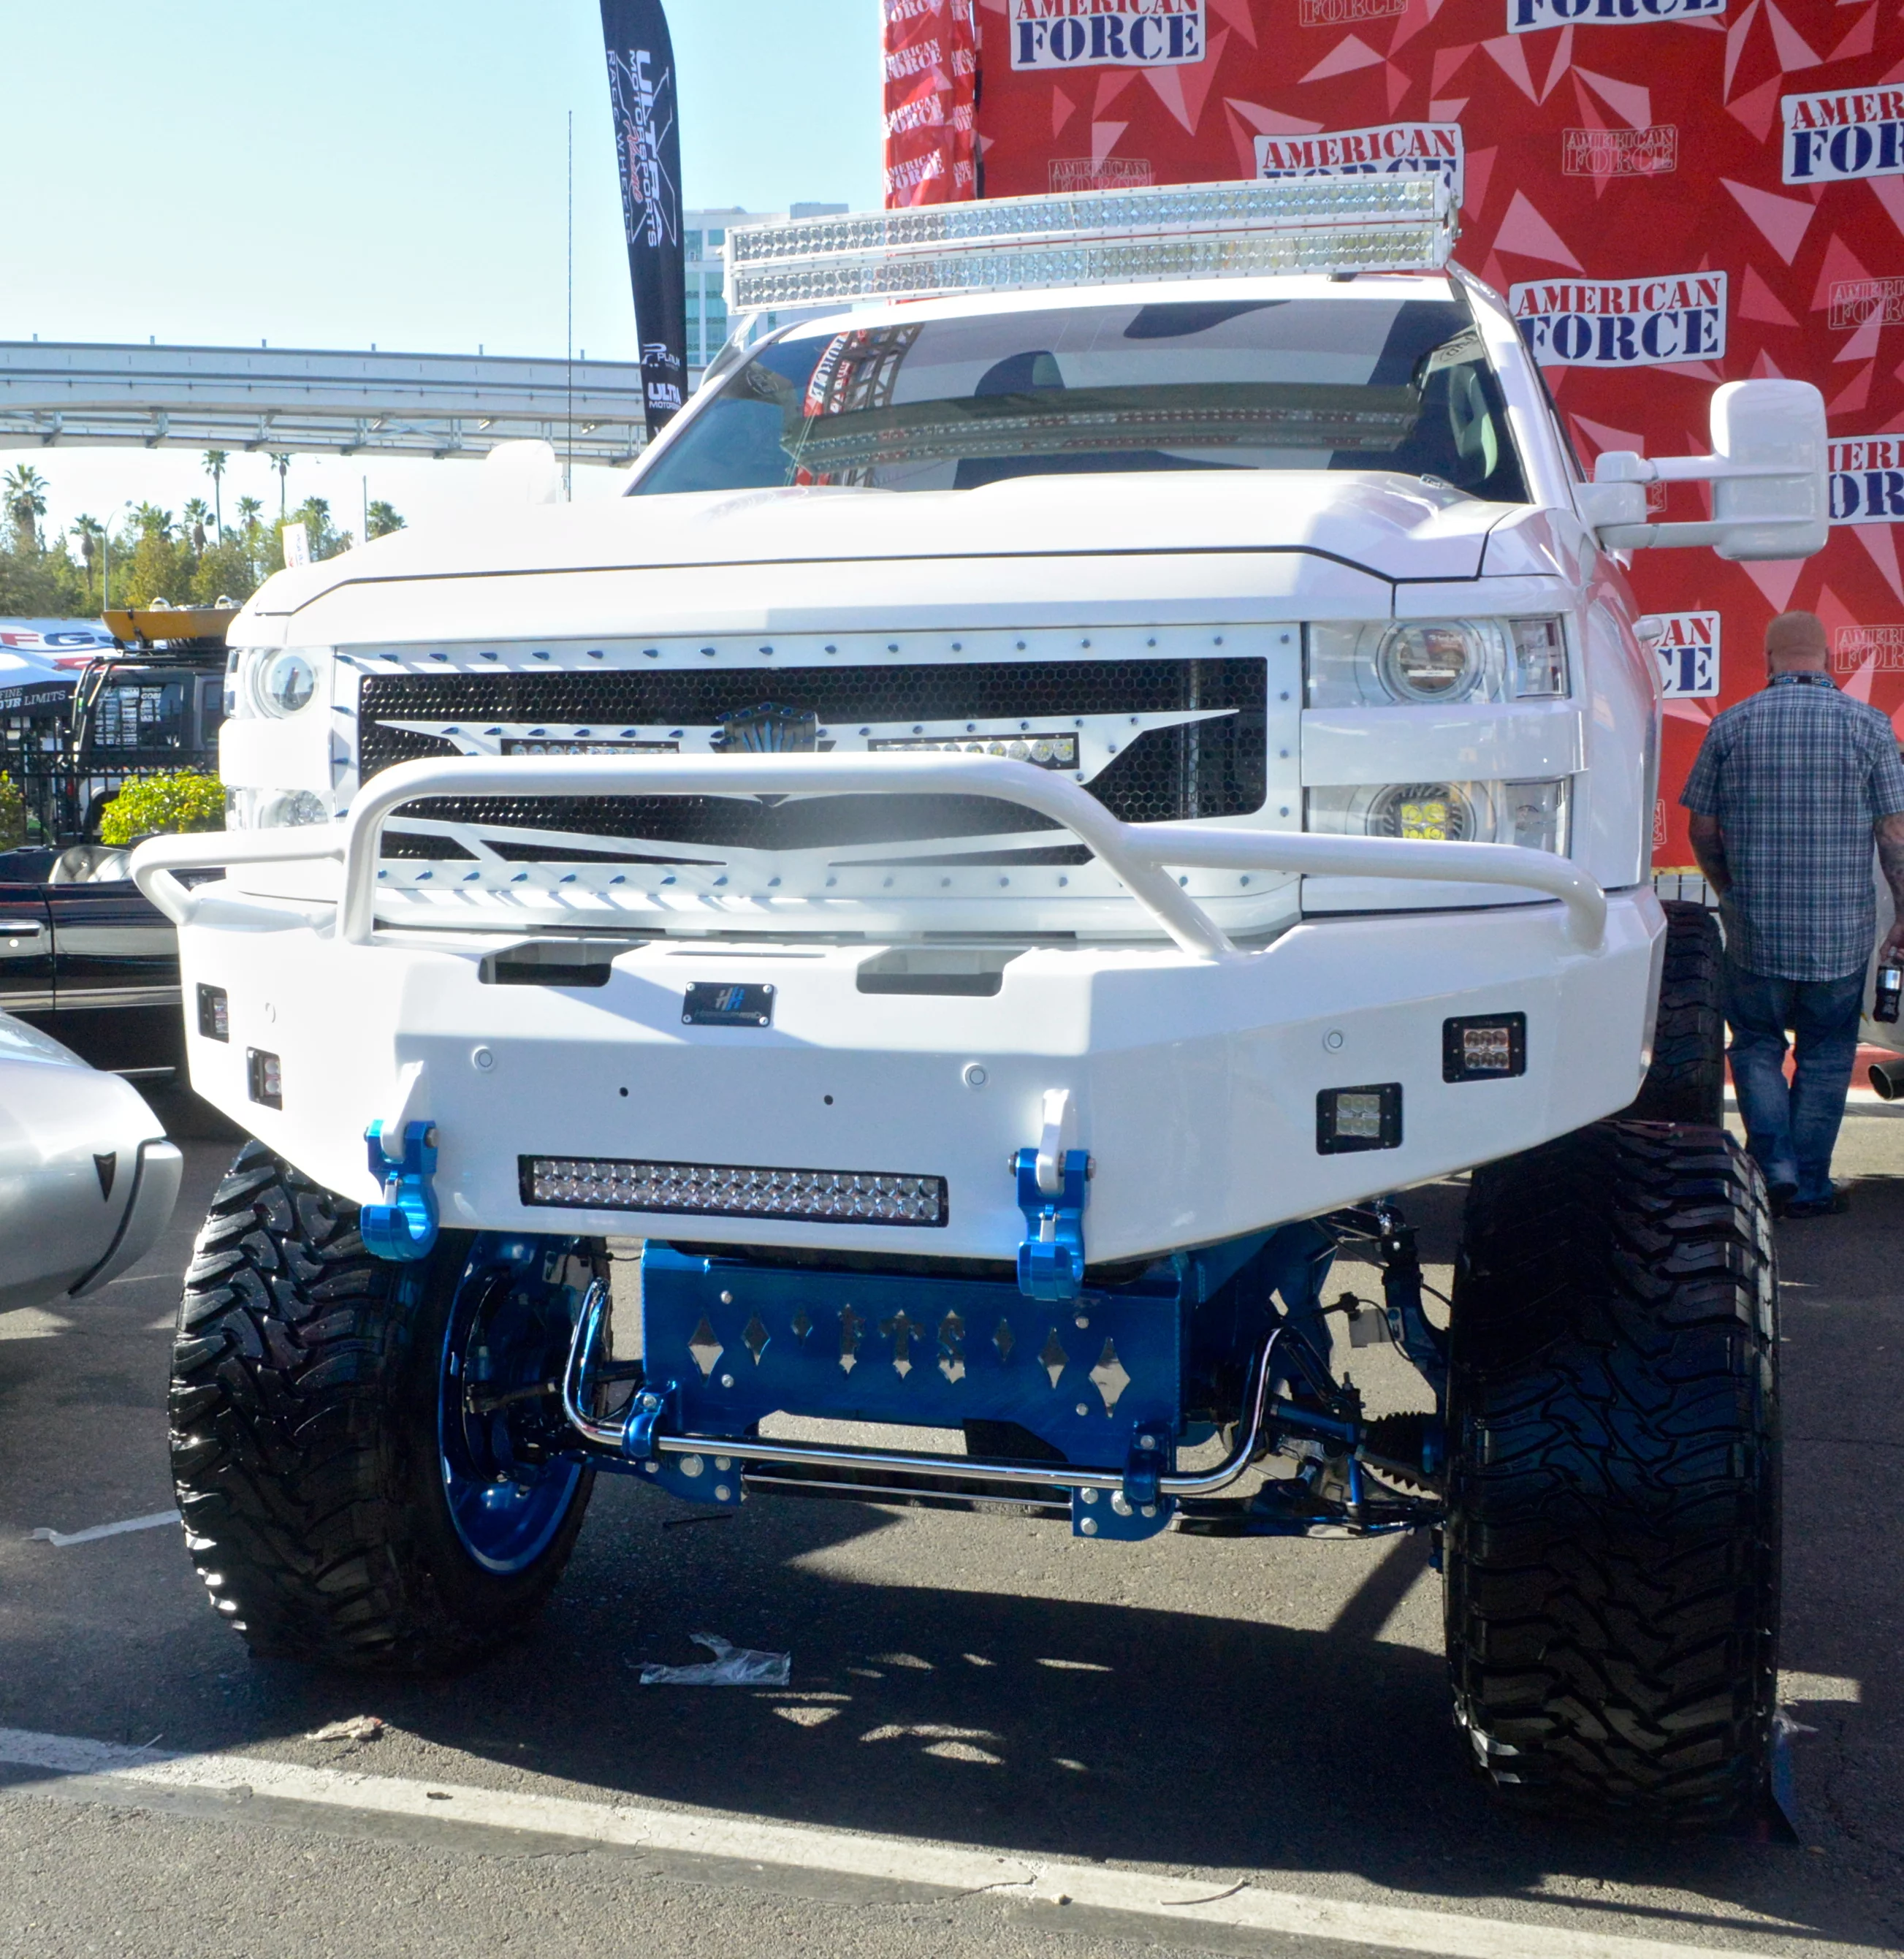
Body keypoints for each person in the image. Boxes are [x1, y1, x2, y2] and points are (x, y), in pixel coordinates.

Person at [1682, 609, 1904, 1217]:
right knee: (1827, 1055)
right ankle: (1808, 1185)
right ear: (1828, 659)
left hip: (1756, 929)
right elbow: (1894, 833)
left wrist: (1727, 889)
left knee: (1756, 1044)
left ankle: (1772, 1167)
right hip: (1841, 934)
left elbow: (1701, 828)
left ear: (1768, 659)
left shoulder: (1730, 726)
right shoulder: (1870, 726)